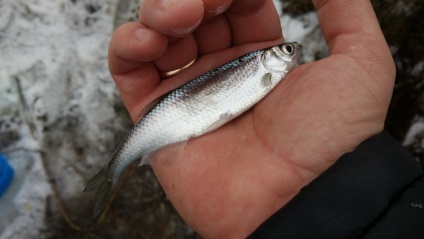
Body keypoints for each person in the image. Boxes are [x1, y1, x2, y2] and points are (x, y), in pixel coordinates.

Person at [107, 0, 424, 238]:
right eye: (286, 51)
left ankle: (109, 175)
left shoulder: (269, 71)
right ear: (270, 59)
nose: (292, 51)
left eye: (287, 50)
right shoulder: (261, 65)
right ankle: (110, 172)